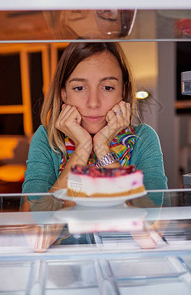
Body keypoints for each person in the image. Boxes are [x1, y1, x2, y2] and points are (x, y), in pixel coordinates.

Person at [21, 42, 168, 211]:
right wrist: (82, 148)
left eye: (107, 87)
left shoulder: (144, 138)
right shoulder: (47, 140)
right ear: (64, 94)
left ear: (123, 91)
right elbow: (36, 232)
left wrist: (102, 149)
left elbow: (150, 232)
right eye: (79, 88)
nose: (93, 103)